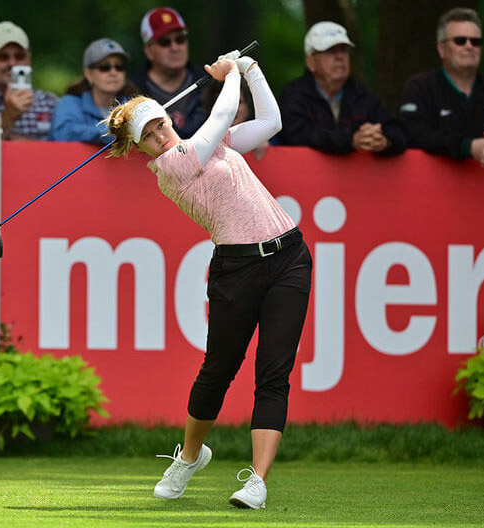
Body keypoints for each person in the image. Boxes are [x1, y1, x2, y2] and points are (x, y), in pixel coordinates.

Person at [105, 54, 311, 509]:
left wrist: (253, 70)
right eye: (149, 135)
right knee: (218, 369)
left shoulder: (214, 144)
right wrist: (230, 73)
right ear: (140, 148)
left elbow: (271, 121)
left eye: (160, 123)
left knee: (274, 371)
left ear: (167, 115)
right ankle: (190, 457)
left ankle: (256, 481)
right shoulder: (172, 167)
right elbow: (220, 116)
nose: (160, 135)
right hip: (237, 270)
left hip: (290, 258)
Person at [399, 7, 484, 169]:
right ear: (441, 49)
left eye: (475, 42)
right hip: (435, 190)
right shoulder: (420, 87)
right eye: (460, 41)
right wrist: (468, 147)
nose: (469, 46)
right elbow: (413, 134)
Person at [277, 21, 405, 156]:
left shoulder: (360, 93)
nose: (339, 57)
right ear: (310, 62)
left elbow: (399, 132)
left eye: (343, 50)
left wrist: (384, 141)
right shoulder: (294, 94)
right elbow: (295, 135)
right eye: (330, 51)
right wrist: (350, 140)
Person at [131, 7, 207, 139]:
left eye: (180, 39)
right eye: (165, 42)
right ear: (148, 50)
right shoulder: (131, 93)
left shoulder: (208, 82)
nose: (175, 47)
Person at [0, 21, 58, 140]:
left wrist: (17, 141)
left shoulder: (50, 103)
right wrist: (9, 115)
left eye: (20, 56)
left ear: (29, 59)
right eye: (3, 57)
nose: (12, 63)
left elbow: (66, 151)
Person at [50, 38, 138, 144]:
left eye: (119, 67)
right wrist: (111, 130)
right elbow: (63, 135)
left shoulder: (134, 107)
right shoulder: (69, 103)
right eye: (104, 67)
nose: (113, 72)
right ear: (88, 74)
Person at [205, 77, 269, 160]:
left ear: (249, 105)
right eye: (224, 103)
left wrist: (262, 140)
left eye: (239, 102)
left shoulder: (265, 133)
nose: (232, 109)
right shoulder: (201, 134)